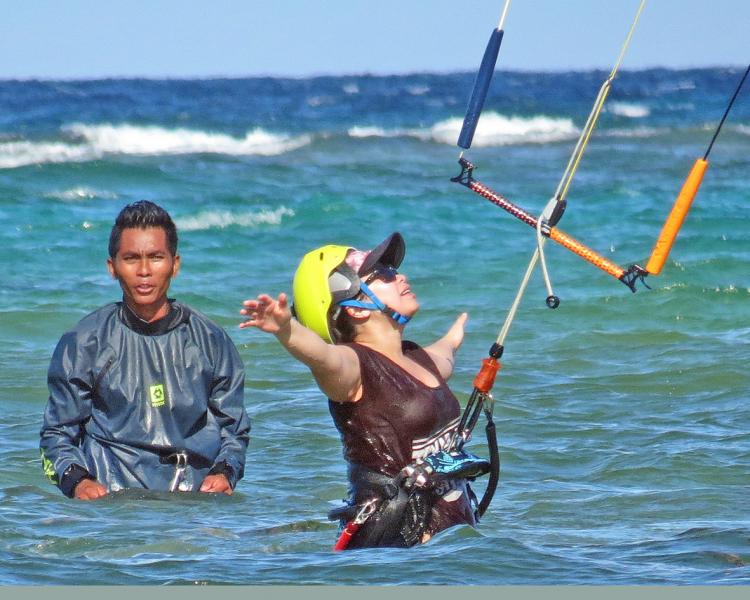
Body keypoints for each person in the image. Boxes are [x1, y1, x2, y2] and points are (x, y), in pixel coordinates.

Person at [240, 232, 489, 549]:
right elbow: (323, 358)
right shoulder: (354, 368)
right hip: (391, 549)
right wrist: (287, 330)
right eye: (384, 273)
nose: (400, 276)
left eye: (393, 269)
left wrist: (456, 336)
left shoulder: (419, 359)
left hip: (449, 543)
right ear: (356, 306)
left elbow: (445, 354)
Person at [40, 200, 250, 500]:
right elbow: (55, 436)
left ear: (174, 264)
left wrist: (225, 472)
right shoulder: (83, 342)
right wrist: (78, 482)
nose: (144, 270)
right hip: (113, 504)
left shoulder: (211, 340)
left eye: (155, 257)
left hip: (195, 506)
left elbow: (235, 431)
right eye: (131, 258)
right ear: (112, 267)